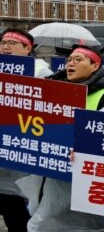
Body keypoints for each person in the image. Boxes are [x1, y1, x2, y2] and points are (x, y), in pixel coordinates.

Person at [20, 45, 104, 232]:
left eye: (79, 60)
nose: (71, 63)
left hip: (85, 183)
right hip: (52, 177)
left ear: (95, 66)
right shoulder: (52, 91)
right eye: (69, 60)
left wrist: (87, 148)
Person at [0, 28, 53, 232]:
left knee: (18, 216)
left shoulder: (42, 74)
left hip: (21, 160)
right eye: (3, 42)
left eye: (12, 43)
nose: (5, 47)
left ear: (27, 48)